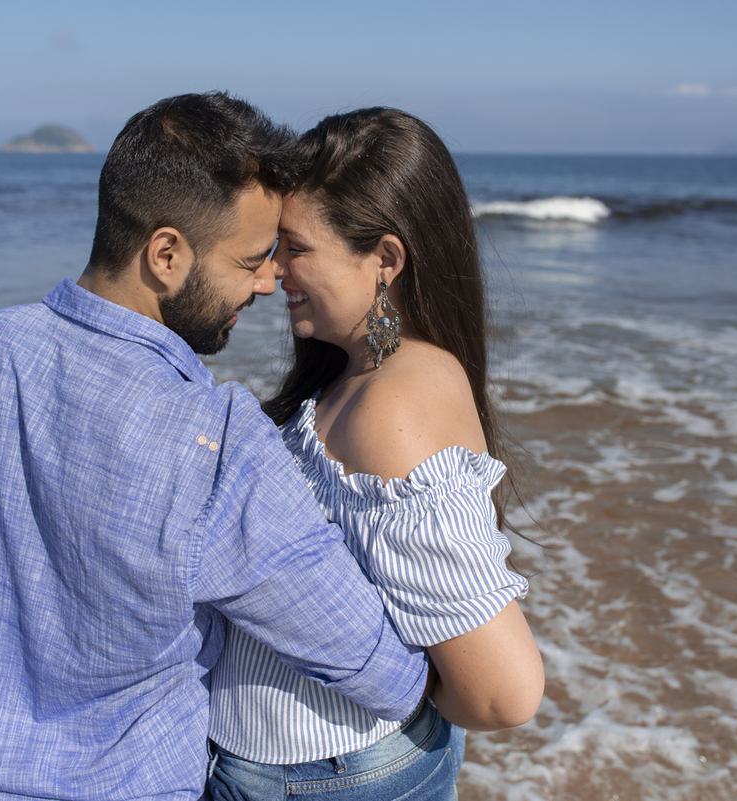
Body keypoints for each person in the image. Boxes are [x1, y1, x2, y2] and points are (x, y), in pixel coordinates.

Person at [0, 93, 429, 801]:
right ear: (166, 254)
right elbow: (373, 665)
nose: (270, 281)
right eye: (252, 258)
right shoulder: (210, 437)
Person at [208, 108, 545, 800]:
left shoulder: (393, 404)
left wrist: (387, 695)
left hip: (326, 779)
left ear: (386, 259)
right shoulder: (360, 373)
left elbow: (503, 694)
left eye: (294, 248)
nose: (272, 273)